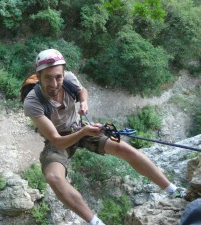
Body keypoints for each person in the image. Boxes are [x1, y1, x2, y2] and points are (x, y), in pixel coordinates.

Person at [23, 49, 187, 225]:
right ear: (38, 76)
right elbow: (56, 140)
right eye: (48, 77)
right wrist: (83, 132)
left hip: (79, 126)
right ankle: (95, 222)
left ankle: (173, 190)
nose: (54, 83)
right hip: (60, 138)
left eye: (58, 77)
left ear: (63, 74)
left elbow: (82, 90)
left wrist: (83, 102)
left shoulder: (69, 79)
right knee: (54, 178)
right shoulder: (33, 101)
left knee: (122, 147)